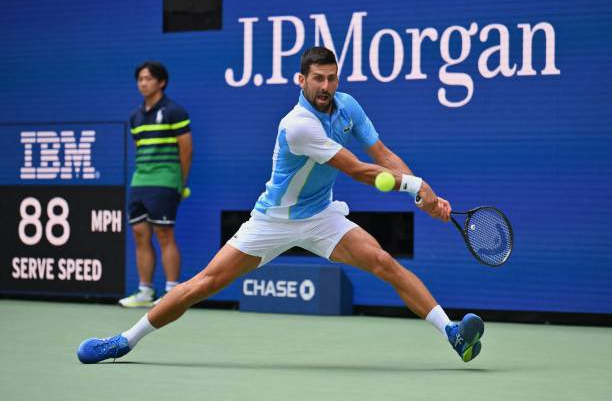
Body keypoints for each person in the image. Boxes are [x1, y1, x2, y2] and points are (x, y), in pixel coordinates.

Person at [77, 47, 483, 364]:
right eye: (318, 79)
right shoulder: (297, 124)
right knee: (204, 284)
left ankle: (452, 333)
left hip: (321, 216)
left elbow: (382, 152)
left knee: (383, 261)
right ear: (301, 80)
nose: (326, 86)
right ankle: (123, 341)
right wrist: (417, 185)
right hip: (273, 220)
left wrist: (420, 194)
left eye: (332, 78)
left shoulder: (348, 106)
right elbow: (360, 170)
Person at [118, 61, 193, 308]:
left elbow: (186, 150)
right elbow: (140, 149)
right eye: (140, 79)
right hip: (140, 181)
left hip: (165, 181)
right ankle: (145, 291)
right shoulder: (135, 117)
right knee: (140, 235)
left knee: (164, 234)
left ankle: (172, 292)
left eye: (148, 78)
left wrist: (180, 183)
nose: (143, 83)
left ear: (161, 82)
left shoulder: (175, 111)